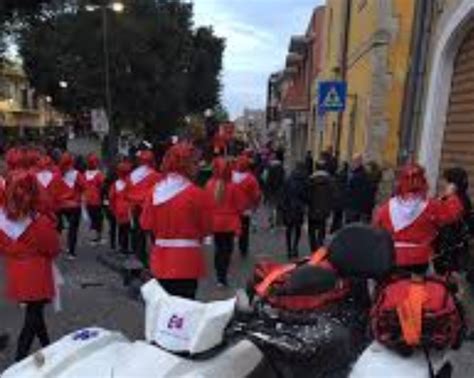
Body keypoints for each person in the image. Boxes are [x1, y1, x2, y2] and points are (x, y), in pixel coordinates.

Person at [0, 171, 60, 361]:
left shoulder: (3, 220)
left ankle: (48, 347)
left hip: (16, 271)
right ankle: (19, 360)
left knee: (35, 313)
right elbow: (53, 248)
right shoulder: (40, 222)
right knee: (33, 317)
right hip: (37, 273)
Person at [140, 143, 212, 299]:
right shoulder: (197, 194)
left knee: (163, 310)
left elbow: (146, 224)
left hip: (160, 259)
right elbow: (206, 228)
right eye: (194, 162)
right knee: (185, 311)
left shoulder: (154, 192)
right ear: (184, 165)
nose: (198, 166)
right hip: (187, 261)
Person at [374, 163, 463, 274]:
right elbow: (452, 214)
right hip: (419, 260)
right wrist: (451, 196)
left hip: (392, 257)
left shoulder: (387, 207)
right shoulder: (431, 206)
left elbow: (377, 229)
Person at [206, 157, 243, 286]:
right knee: (227, 250)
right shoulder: (233, 186)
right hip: (230, 223)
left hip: (215, 222)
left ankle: (219, 276)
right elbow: (239, 206)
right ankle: (223, 274)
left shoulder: (209, 184)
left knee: (218, 249)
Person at [434, 167, 473, 275]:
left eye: (447, 182)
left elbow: (441, 219)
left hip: (451, 252)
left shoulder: (457, 201)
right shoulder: (461, 198)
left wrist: (442, 199)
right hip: (450, 250)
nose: (444, 185)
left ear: (454, 185)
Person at [126, 150, 161, 266]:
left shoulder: (132, 175)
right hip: (151, 208)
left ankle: (140, 259)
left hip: (135, 207)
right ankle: (157, 259)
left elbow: (127, 191)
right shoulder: (156, 175)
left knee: (138, 234)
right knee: (154, 235)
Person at [53, 152, 85, 259]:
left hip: (59, 205)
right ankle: (71, 252)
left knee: (58, 228)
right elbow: (84, 186)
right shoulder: (76, 174)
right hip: (74, 205)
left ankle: (57, 246)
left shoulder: (56, 173)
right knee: (73, 229)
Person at [232, 154, 261, 258]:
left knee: (231, 230)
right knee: (244, 231)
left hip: (232, 209)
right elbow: (256, 195)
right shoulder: (251, 179)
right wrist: (255, 206)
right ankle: (243, 249)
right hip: (245, 209)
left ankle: (229, 247)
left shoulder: (230, 176)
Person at [280, 162, 308, 259]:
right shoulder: (304, 181)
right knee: (297, 229)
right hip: (299, 209)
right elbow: (305, 196)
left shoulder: (288, 179)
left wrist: (283, 207)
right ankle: (295, 247)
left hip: (289, 208)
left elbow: (283, 194)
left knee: (288, 229)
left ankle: (288, 250)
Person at [307, 160, 334, 251]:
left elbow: (308, 195)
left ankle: (313, 248)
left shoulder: (311, 179)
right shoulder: (330, 180)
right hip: (324, 210)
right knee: (321, 229)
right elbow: (332, 195)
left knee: (311, 231)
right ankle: (320, 247)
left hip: (312, 209)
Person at [109, 161, 132, 254]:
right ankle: (125, 247)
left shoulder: (115, 184)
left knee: (121, 228)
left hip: (118, 209)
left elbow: (111, 197)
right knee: (127, 229)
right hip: (128, 209)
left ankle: (121, 246)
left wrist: (112, 209)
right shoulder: (130, 183)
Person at [83, 153, 105, 245]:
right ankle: (97, 238)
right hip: (97, 200)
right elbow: (103, 186)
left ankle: (93, 238)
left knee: (91, 218)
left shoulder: (85, 174)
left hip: (87, 199)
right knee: (98, 219)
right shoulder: (99, 174)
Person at [345, 154, 372, 223]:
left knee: (352, 225)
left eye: (355, 161)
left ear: (359, 162)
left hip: (354, 206)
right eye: (353, 161)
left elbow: (362, 191)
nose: (353, 163)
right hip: (351, 205)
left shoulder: (361, 175)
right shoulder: (354, 172)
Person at [264, 151, 285, 229]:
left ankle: (271, 221)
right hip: (279, 189)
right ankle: (279, 222)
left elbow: (266, 178)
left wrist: (266, 190)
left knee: (271, 206)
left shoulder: (269, 167)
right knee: (279, 206)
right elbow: (283, 179)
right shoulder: (281, 168)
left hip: (270, 189)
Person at [330, 162, 348, 233]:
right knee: (339, 215)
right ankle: (337, 228)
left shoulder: (337, 177)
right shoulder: (346, 177)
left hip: (337, 198)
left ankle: (334, 228)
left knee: (336, 215)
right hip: (342, 199)